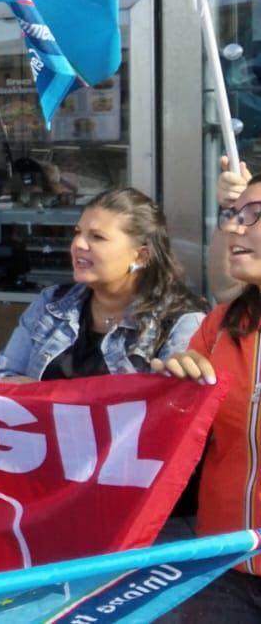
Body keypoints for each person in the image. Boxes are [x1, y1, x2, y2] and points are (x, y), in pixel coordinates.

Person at [158, 158, 261, 618]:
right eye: (232, 216)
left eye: (253, 215)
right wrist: (173, 393)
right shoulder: (220, 327)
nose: (237, 228)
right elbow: (177, 444)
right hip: (221, 566)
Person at [0, 188, 205, 381]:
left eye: (97, 237)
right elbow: (3, 377)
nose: (78, 244)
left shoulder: (180, 320)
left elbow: (173, 405)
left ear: (141, 256)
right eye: (78, 232)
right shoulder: (52, 303)